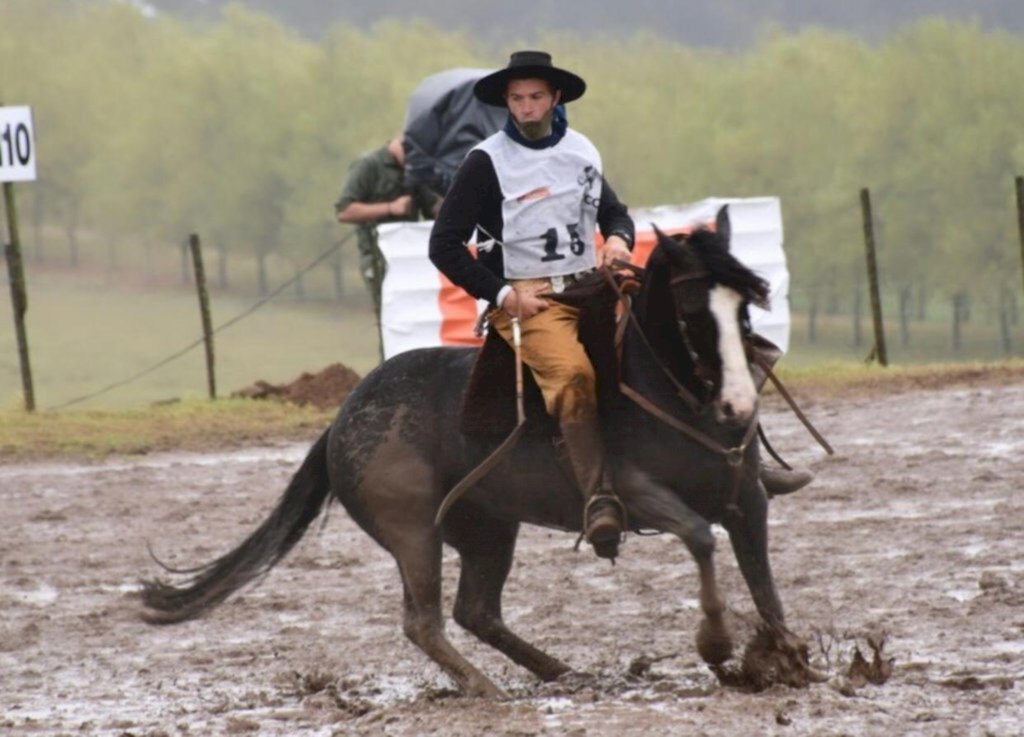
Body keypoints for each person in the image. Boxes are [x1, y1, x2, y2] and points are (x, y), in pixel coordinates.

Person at [429, 51, 634, 559]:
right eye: (516, 98)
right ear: (506, 102)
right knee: (574, 377)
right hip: (531, 298)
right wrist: (504, 296)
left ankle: (722, 461)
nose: (526, 106)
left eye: (535, 96)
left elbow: (613, 212)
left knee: (668, 336)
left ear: (555, 98)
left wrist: (620, 241)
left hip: (590, 284)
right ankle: (599, 499)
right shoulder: (486, 162)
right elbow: (444, 244)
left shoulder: (583, 150)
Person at [335, 135, 439, 353]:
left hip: (412, 261)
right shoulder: (369, 165)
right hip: (378, 259)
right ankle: (389, 374)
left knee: (417, 320)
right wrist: (390, 208)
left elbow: (434, 208)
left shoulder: (416, 170)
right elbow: (344, 210)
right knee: (391, 320)